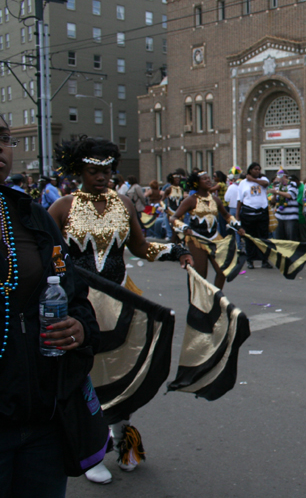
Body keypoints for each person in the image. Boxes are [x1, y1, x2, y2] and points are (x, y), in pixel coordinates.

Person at [47, 136, 192, 485]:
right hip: (80, 306)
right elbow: (46, 252)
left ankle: (123, 437)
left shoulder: (124, 203)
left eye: (108, 171)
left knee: (123, 371)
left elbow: (140, 248)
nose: (102, 177)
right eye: (94, 170)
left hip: (121, 301)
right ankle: (92, 448)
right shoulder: (63, 207)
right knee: (86, 374)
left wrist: (175, 251)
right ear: (79, 171)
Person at [0, 120, 103, 497]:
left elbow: (74, 295)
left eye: (4, 138)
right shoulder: (59, 206)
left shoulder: (31, 216)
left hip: (43, 423)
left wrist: (79, 327)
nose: (1, 147)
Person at [170, 171, 243, 289]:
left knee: (222, 271)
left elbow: (226, 215)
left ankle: (216, 296)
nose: (208, 180)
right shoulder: (191, 200)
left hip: (215, 239)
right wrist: (184, 227)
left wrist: (237, 226)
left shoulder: (215, 199)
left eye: (209, 178)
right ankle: (197, 298)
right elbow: (173, 217)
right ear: (196, 183)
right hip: (197, 239)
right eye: (204, 179)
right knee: (201, 274)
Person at [236, 162, 272, 269]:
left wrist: (253, 180)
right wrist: (237, 215)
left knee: (263, 238)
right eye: (255, 169)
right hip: (248, 214)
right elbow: (239, 200)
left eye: (259, 169)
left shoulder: (263, 179)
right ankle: (250, 260)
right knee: (250, 238)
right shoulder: (243, 183)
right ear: (250, 170)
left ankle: (264, 260)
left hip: (262, 213)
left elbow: (265, 184)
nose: (257, 171)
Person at [270, 170, 300, 241]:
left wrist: (277, 192)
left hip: (291, 217)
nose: (277, 178)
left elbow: (289, 195)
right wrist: (274, 194)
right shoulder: (278, 186)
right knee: (279, 238)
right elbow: (273, 201)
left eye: (278, 176)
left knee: (291, 238)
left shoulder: (292, 184)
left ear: (284, 176)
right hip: (279, 216)